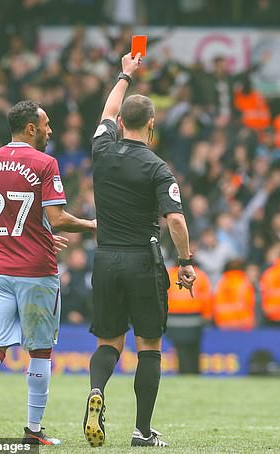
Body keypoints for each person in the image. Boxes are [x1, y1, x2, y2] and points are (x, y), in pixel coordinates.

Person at [84, 52, 196, 448]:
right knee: (148, 345)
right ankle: (142, 431)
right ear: (152, 124)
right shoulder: (157, 167)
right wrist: (185, 262)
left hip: (106, 257)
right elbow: (177, 222)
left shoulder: (102, 149)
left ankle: (96, 391)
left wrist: (124, 74)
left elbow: (108, 109)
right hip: (143, 261)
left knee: (108, 343)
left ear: (118, 125)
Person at [0, 100, 96, 446]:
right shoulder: (44, 163)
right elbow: (58, 218)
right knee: (40, 351)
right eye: (46, 124)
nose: (50, 130)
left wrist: (37, 230)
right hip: (37, 272)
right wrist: (91, 225)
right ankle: (33, 430)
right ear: (30, 128)